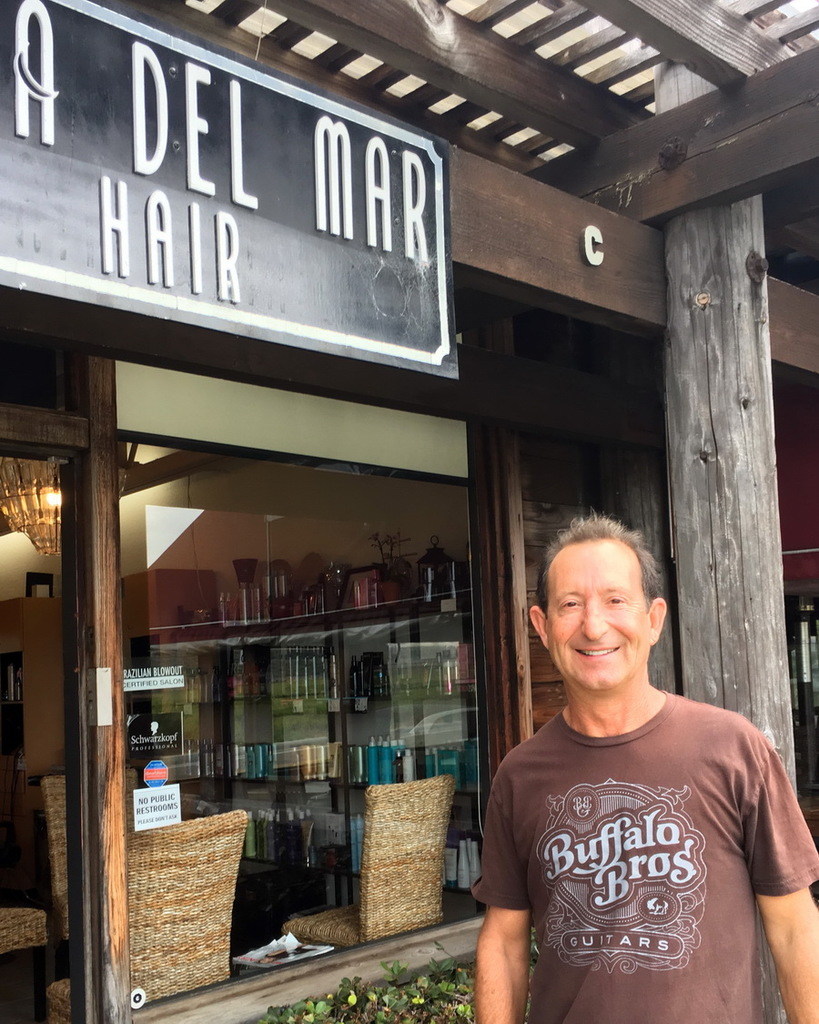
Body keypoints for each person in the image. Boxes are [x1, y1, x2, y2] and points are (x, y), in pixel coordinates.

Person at [472, 513, 819, 1024]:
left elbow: (793, 927)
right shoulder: (519, 775)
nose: (594, 626)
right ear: (542, 626)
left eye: (616, 600)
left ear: (653, 620)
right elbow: (503, 943)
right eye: (571, 604)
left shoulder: (733, 748)